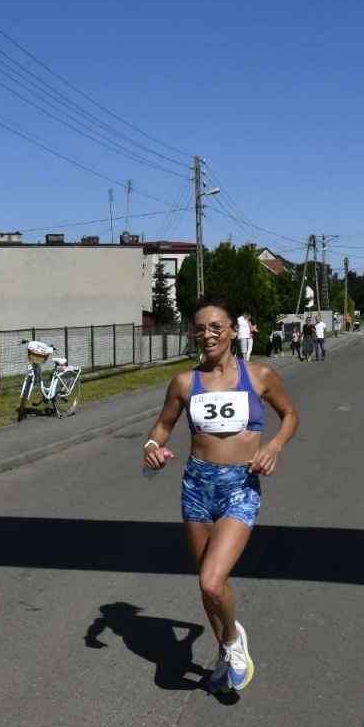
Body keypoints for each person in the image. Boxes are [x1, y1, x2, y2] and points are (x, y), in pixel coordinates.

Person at [140, 294, 300, 695]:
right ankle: (226, 654)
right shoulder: (184, 383)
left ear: (233, 329)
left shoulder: (260, 376)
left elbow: (291, 415)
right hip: (197, 485)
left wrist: (274, 447)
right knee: (205, 584)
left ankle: (232, 641)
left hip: (239, 486)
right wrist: (151, 448)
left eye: (215, 327)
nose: (206, 335)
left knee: (214, 582)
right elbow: (162, 427)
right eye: (199, 328)